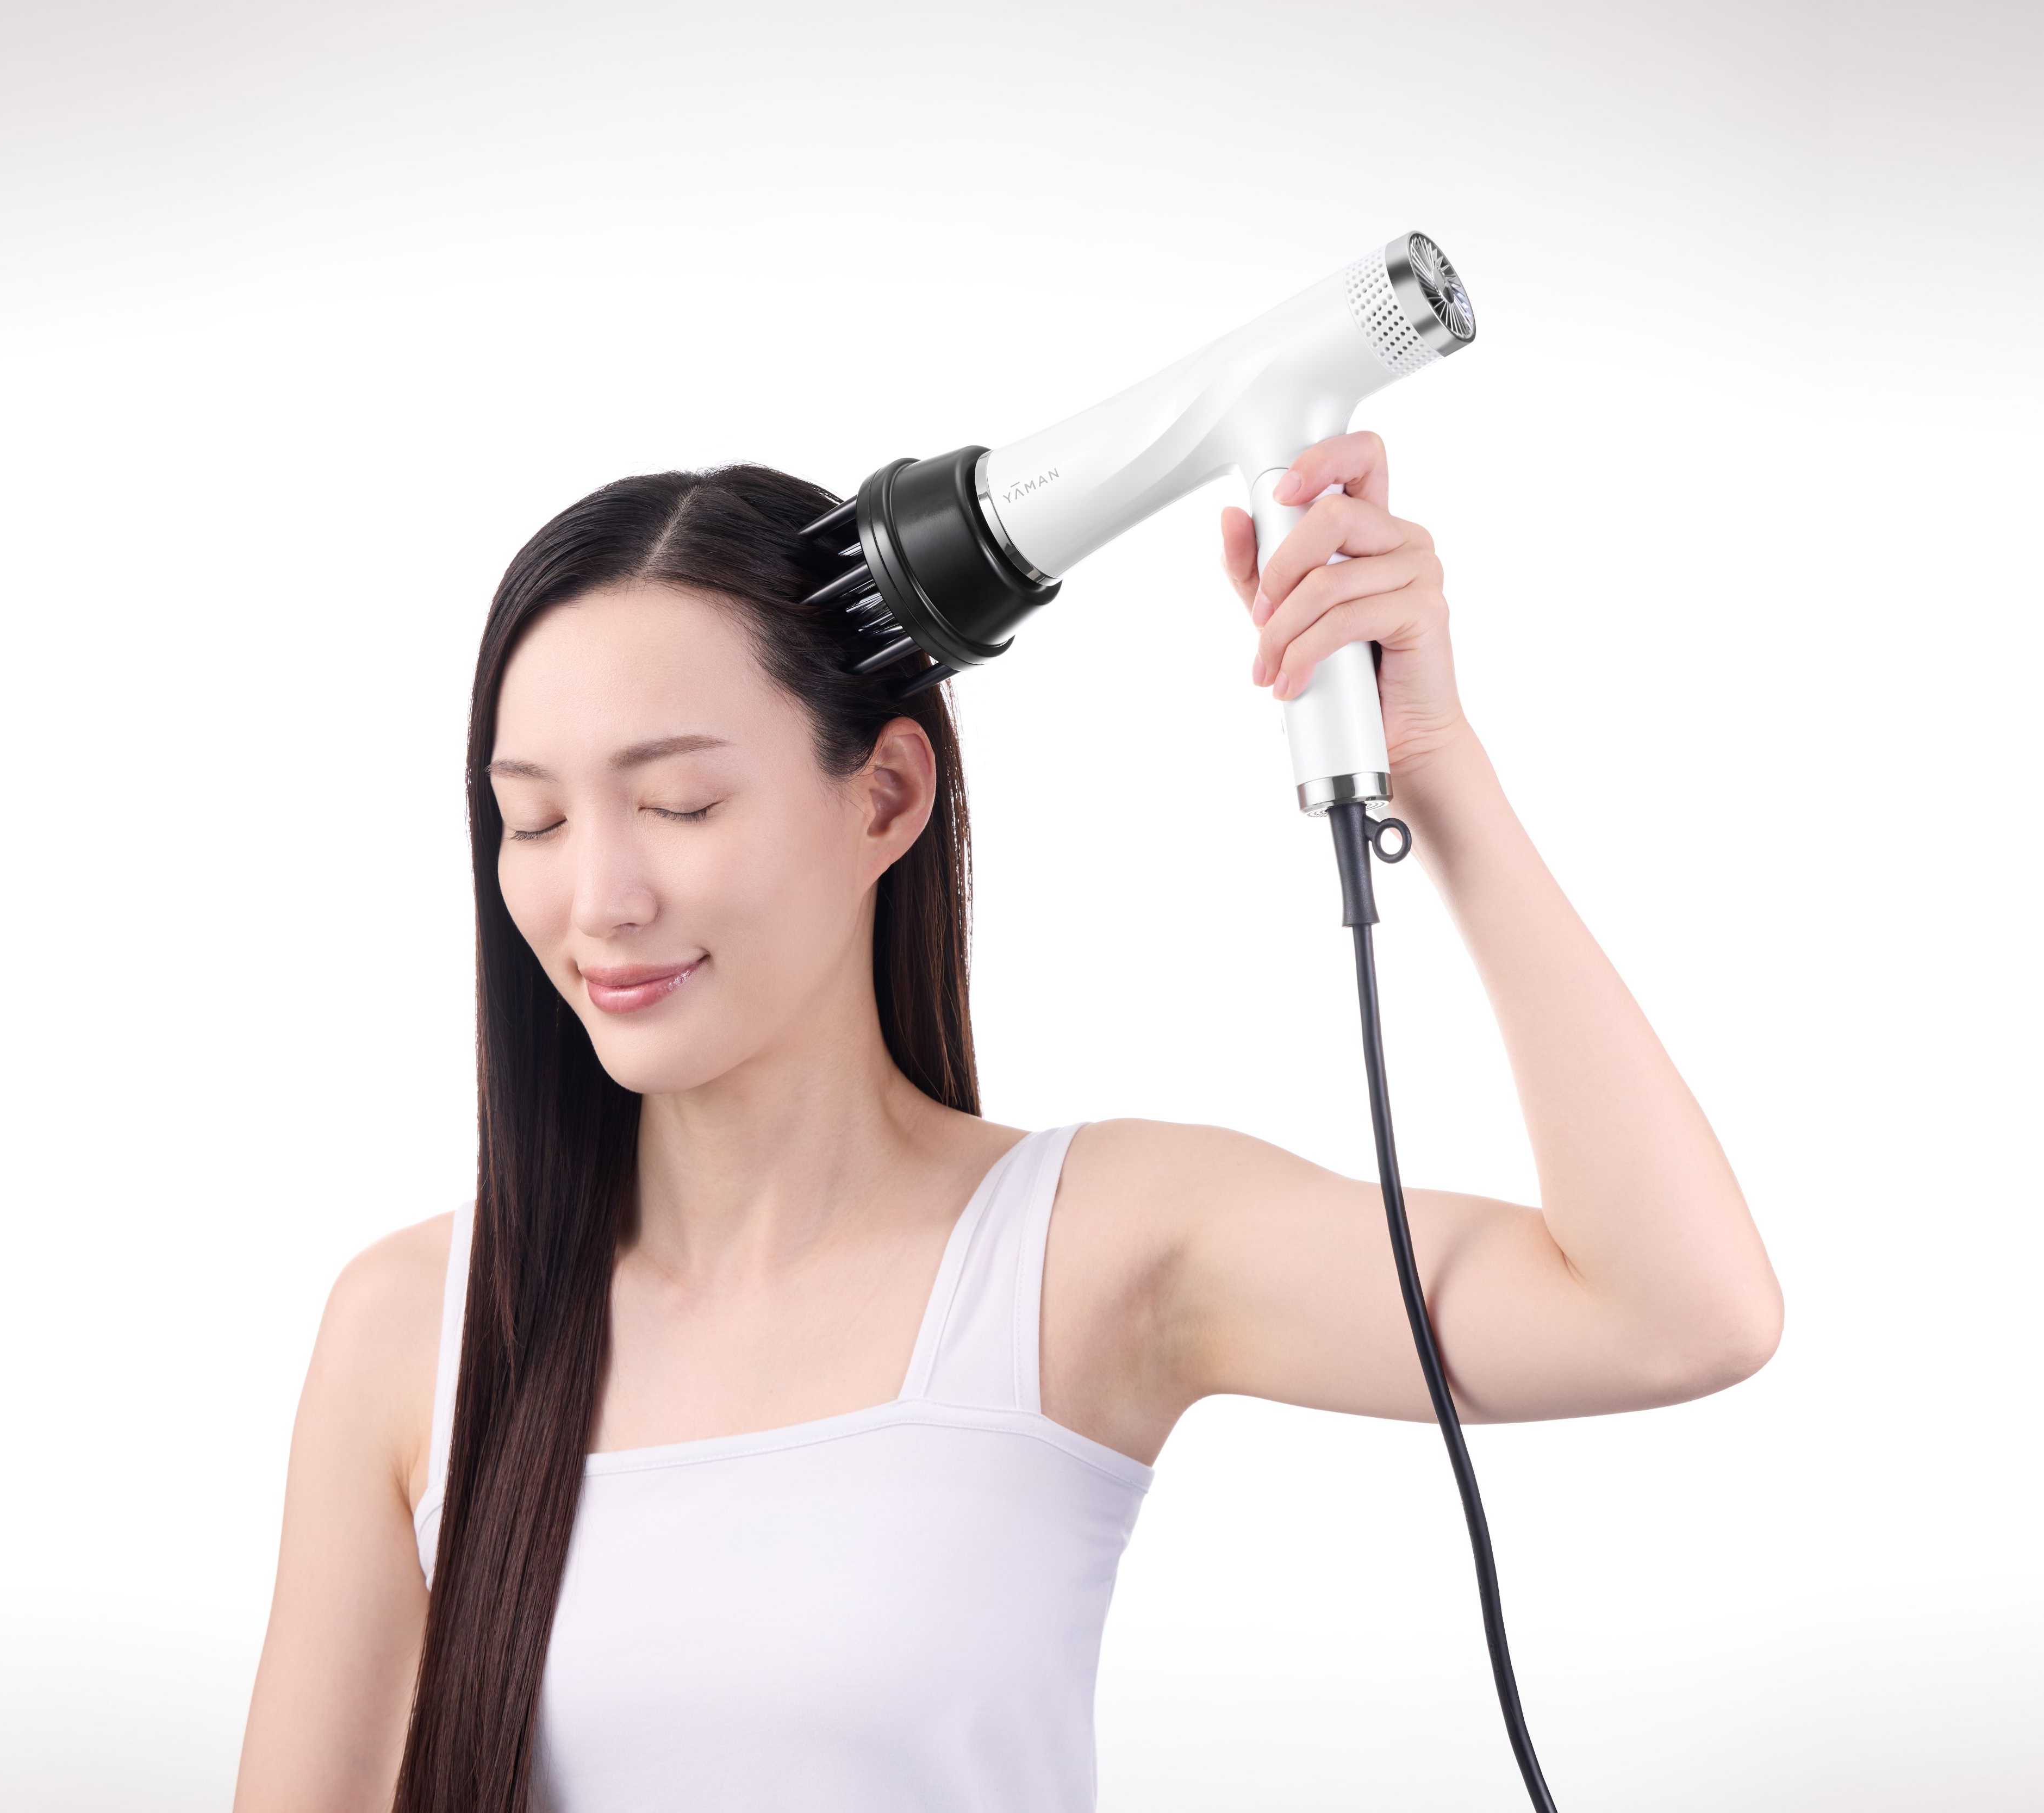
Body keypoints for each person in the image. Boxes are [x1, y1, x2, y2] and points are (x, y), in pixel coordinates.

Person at [230, 431, 1781, 1811]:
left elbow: (1676, 1314)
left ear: (886, 799)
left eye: (681, 805)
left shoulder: (1085, 1253)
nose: (599, 898)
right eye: (537, 819)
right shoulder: (415, 1327)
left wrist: (1432, 768)